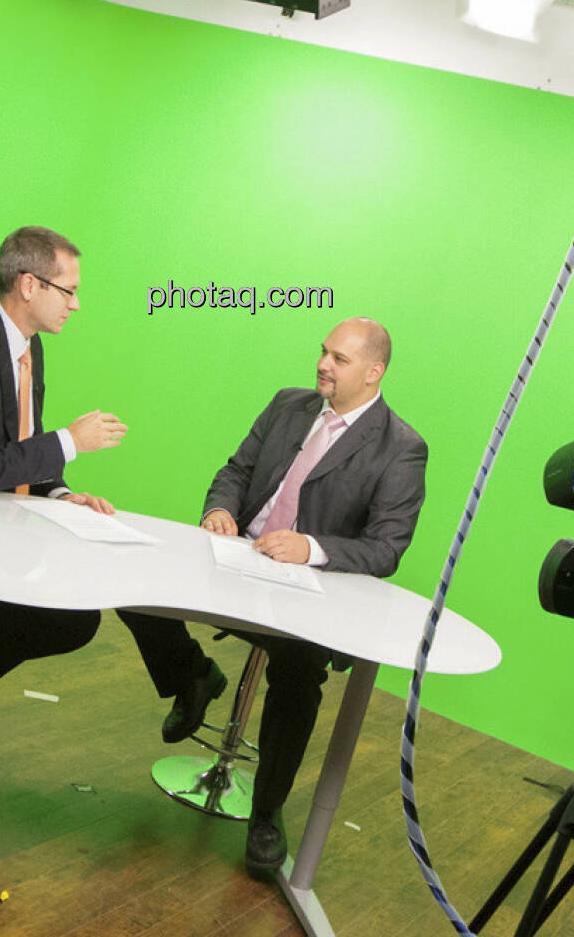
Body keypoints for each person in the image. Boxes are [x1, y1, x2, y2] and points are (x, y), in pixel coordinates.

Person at [0, 225, 224, 723]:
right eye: (69, 291)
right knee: (70, 617)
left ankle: (189, 672)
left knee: (111, 550)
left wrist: (61, 494)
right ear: (29, 285)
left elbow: (18, 441)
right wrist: (70, 441)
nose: (76, 304)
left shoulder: (25, 343)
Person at [152, 317, 427, 877]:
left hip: (308, 594)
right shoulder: (288, 404)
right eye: (324, 352)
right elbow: (236, 470)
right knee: (140, 589)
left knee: (300, 673)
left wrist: (311, 548)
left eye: (340, 359)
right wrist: (220, 510)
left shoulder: (401, 448)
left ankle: (266, 812)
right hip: (236, 559)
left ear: (374, 372)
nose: (323, 365)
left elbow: (386, 548)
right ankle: (193, 676)